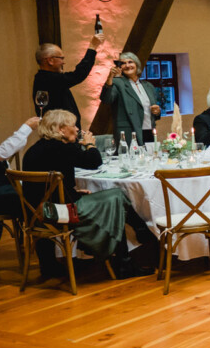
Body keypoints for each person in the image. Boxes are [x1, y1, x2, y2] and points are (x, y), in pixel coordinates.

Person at [21, 109, 158, 277]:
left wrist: (72, 192)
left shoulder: (33, 150)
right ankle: (129, 255)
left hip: (36, 214)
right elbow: (94, 162)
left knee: (111, 200)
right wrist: (89, 144)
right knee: (116, 198)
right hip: (60, 213)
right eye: (73, 125)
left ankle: (133, 245)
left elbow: (44, 187)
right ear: (61, 130)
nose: (77, 129)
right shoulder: (62, 148)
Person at [32, 32, 104, 129]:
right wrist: (92, 47)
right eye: (61, 58)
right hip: (59, 132)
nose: (63, 62)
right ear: (50, 61)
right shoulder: (47, 79)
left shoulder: (46, 77)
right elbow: (78, 75)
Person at [100, 52, 162, 143]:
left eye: (130, 62)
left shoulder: (148, 86)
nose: (127, 65)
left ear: (137, 65)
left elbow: (153, 111)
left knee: (151, 152)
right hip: (129, 133)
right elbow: (106, 99)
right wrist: (110, 79)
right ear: (120, 67)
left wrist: (157, 112)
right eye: (123, 63)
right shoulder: (118, 83)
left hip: (149, 130)